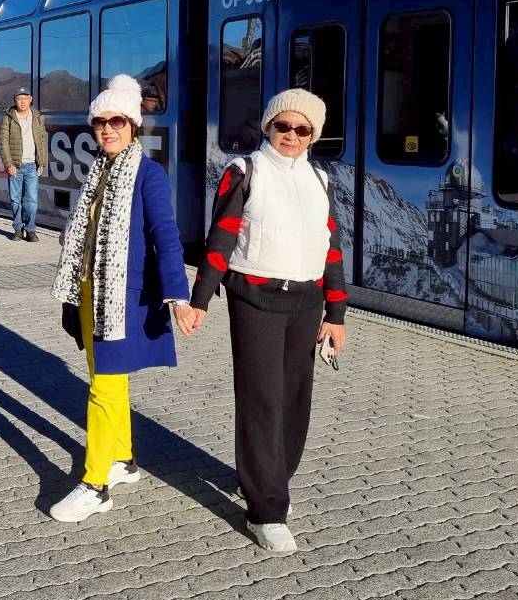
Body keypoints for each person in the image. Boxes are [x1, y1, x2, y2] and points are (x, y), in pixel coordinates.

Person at [182, 88, 348, 555]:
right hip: (255, 299)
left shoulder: (320, 179)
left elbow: (331, 248)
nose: (291, 135)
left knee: (295, 401)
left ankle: (270, 477)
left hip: (306, 302)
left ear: (313, 136)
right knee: (262, 400)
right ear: (268, 127)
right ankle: (266, 510)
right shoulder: (245, 171)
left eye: (303, 129)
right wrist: (200, 300)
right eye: (283, 126)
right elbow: (221, 238)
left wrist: (336, 313)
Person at [49, 74, 193, 522]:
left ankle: (95, 484)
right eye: (100, 122)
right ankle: (123, 459)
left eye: (117, 121)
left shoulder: (148, 174)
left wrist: (178, 295)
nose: (107, 129)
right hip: (89, 291)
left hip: (121, 298)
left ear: (133, 126)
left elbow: (165, 234)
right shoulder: (98, 171)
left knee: (103, 387)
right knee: (109, 380)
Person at [0, 88, 47, 241]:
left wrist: (42, 162)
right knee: (15, 199)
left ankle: (30, 229)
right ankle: (18, 229)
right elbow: (3, 142)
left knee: (32, 200)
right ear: (15, 101)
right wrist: (9, 164)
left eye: (25, 98)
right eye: (19, 99)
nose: (23, 102)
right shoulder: (9, 117)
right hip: (15, 166)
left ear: (30, 99)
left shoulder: (37, 116)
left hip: (32, 165)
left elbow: (42, 139)